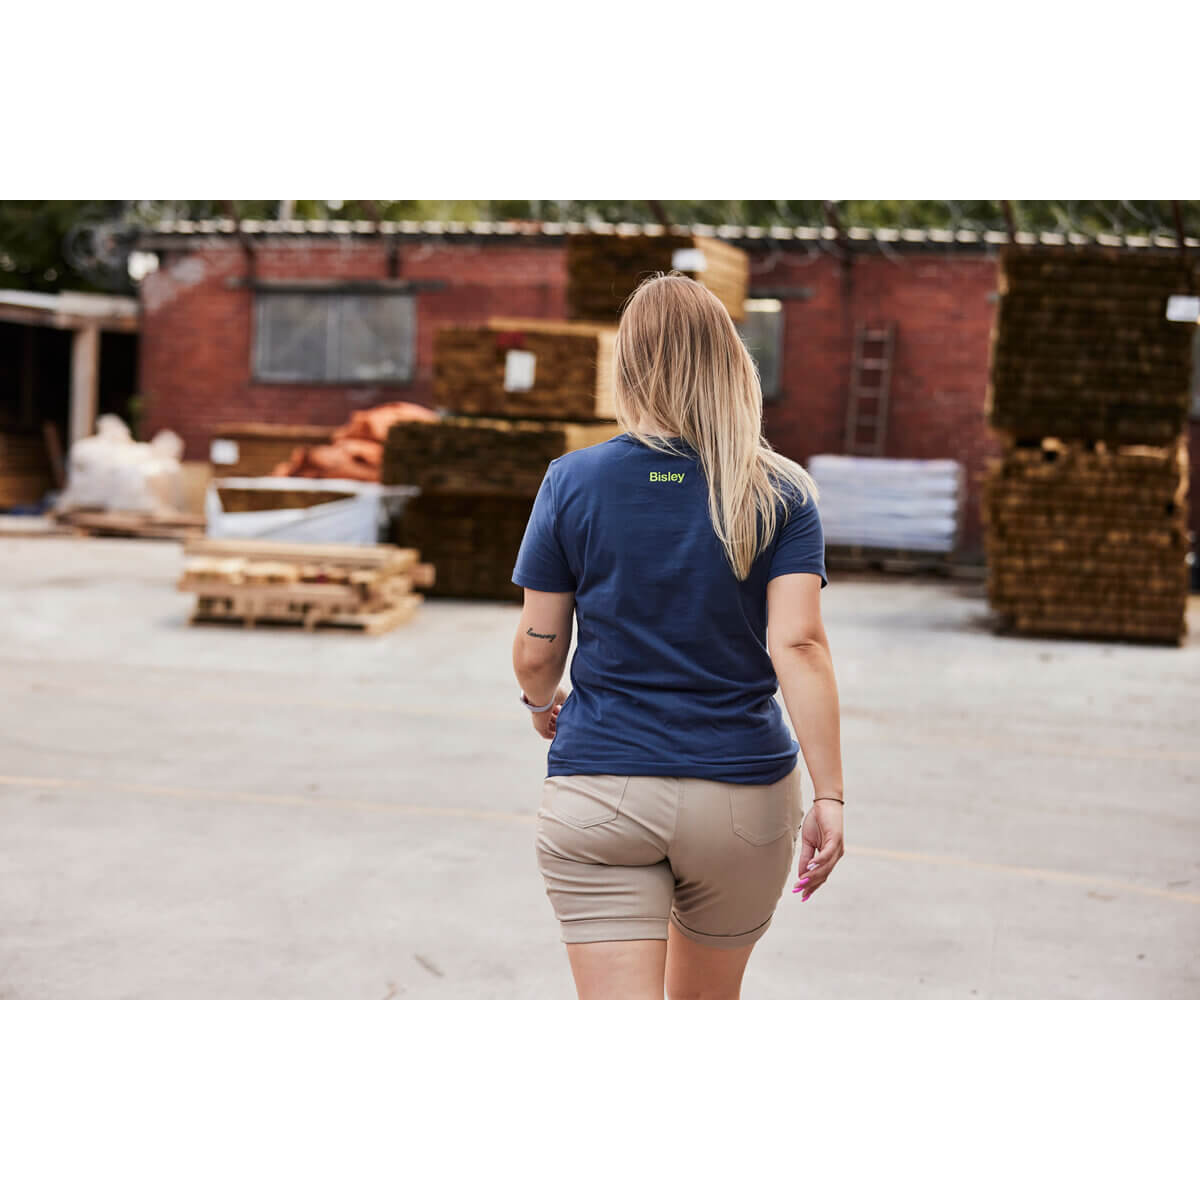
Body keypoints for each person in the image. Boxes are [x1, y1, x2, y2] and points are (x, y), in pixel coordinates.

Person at [510, 271, 844, 1000]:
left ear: (627, 367)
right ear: (730, 361)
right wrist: (831, 795)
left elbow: (539, 648)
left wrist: (540, 704)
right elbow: (798, 647)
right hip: (741, 795)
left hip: (602, 788)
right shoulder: (780, 492)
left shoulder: (572, 481)